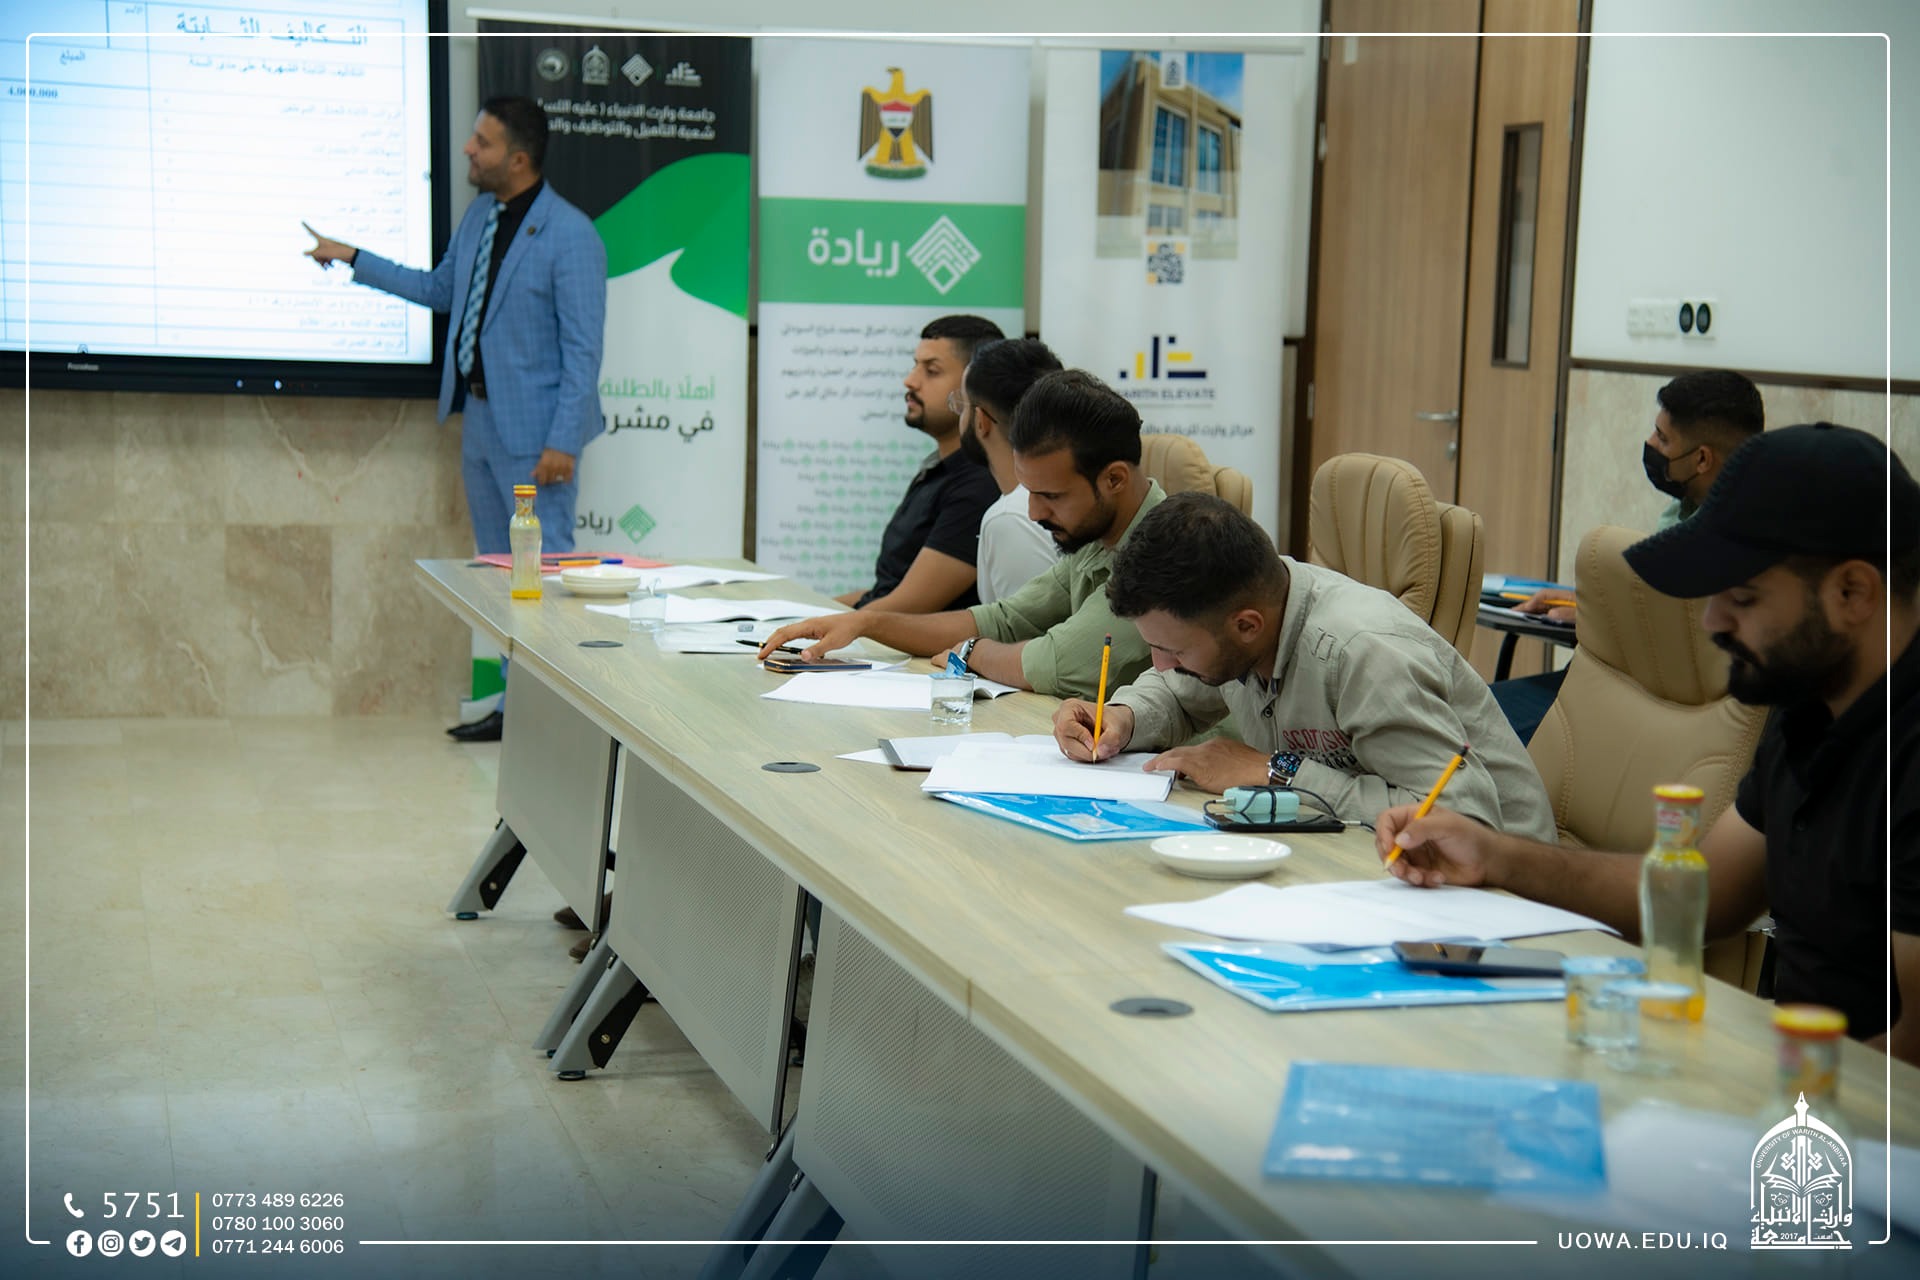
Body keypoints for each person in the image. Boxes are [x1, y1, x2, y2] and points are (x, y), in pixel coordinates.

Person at [1379, 423, 1917, 1062]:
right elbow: (1706, 896)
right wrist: (1495, 856)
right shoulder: (1815, 712)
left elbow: (1906, 1069)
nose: (1713, 621)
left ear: (1853, 592)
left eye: (1743, 597)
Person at [306, 96, 607, 743]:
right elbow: (439, 290)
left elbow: (584, 350)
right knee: (499, 575)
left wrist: (563, 440)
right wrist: (353, 257)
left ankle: (556, 720)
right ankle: (519, 707)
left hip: (538, 439)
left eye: (483, 142)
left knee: (542, 576)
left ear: (518, 159)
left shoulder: (571, 234)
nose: (469, 150)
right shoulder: (479, 218)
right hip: (481, 424)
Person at [1052, 491, 1556, 837]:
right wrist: (1121, 718)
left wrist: (1276, 771)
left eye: (1176, 651)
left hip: (1496, 899)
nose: (1162, 665)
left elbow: (1461, 819)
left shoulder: (1365, 654)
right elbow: (1178, 692)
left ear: (1246, 625)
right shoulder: (1244, 620)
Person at [758, 369, 1163, 701]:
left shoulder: (1161, 554)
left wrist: (973, 650)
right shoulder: (1097, 538)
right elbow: (1002, 620)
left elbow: (1053, 663)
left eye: (1051, 496)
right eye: (1030, 493)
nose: (1035, 513)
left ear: (1114, 479)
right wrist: (866, 623)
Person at [1492, 368, 1765, 742]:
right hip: (1613, 684)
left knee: (1476, 732)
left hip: (1643, 705)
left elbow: (1680, 645)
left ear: (1702, 459)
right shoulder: (1684, 511)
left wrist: (1603, 620)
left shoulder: (1734, 542)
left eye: (1662, 438)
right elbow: (1652, 603)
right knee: (1467, 711)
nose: (1650, 443)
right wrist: (1586, 603)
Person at [838, 316, 1004, 612]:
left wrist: (813, 624)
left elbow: (906, 607)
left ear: (974, 387)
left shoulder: (979, 485)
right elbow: (884, 592)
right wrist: (802, 611)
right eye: (915, 365)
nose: (910, 381)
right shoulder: (940, 470)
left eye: (931, 371)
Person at [956, 338, 1063, 603]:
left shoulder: (1011, 517)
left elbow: (1029, 628)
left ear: (981, 421)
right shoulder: (1071, 496)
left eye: (962, 405)